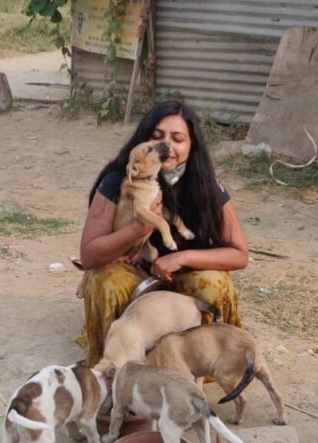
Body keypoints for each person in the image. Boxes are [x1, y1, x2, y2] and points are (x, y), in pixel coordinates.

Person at [78, 100, 249, 367]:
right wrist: (139, 229)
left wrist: (181, 258)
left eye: (178, 139)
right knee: (105, 280)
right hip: (136, 277)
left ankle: (199, 365)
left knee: (213, 283)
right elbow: (89, 255)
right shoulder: (119, 181)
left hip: (184, 281)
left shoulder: (208, 187)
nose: (167, 146)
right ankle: (113, 370)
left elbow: (239, 254)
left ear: (192, 145)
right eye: (157, 137)